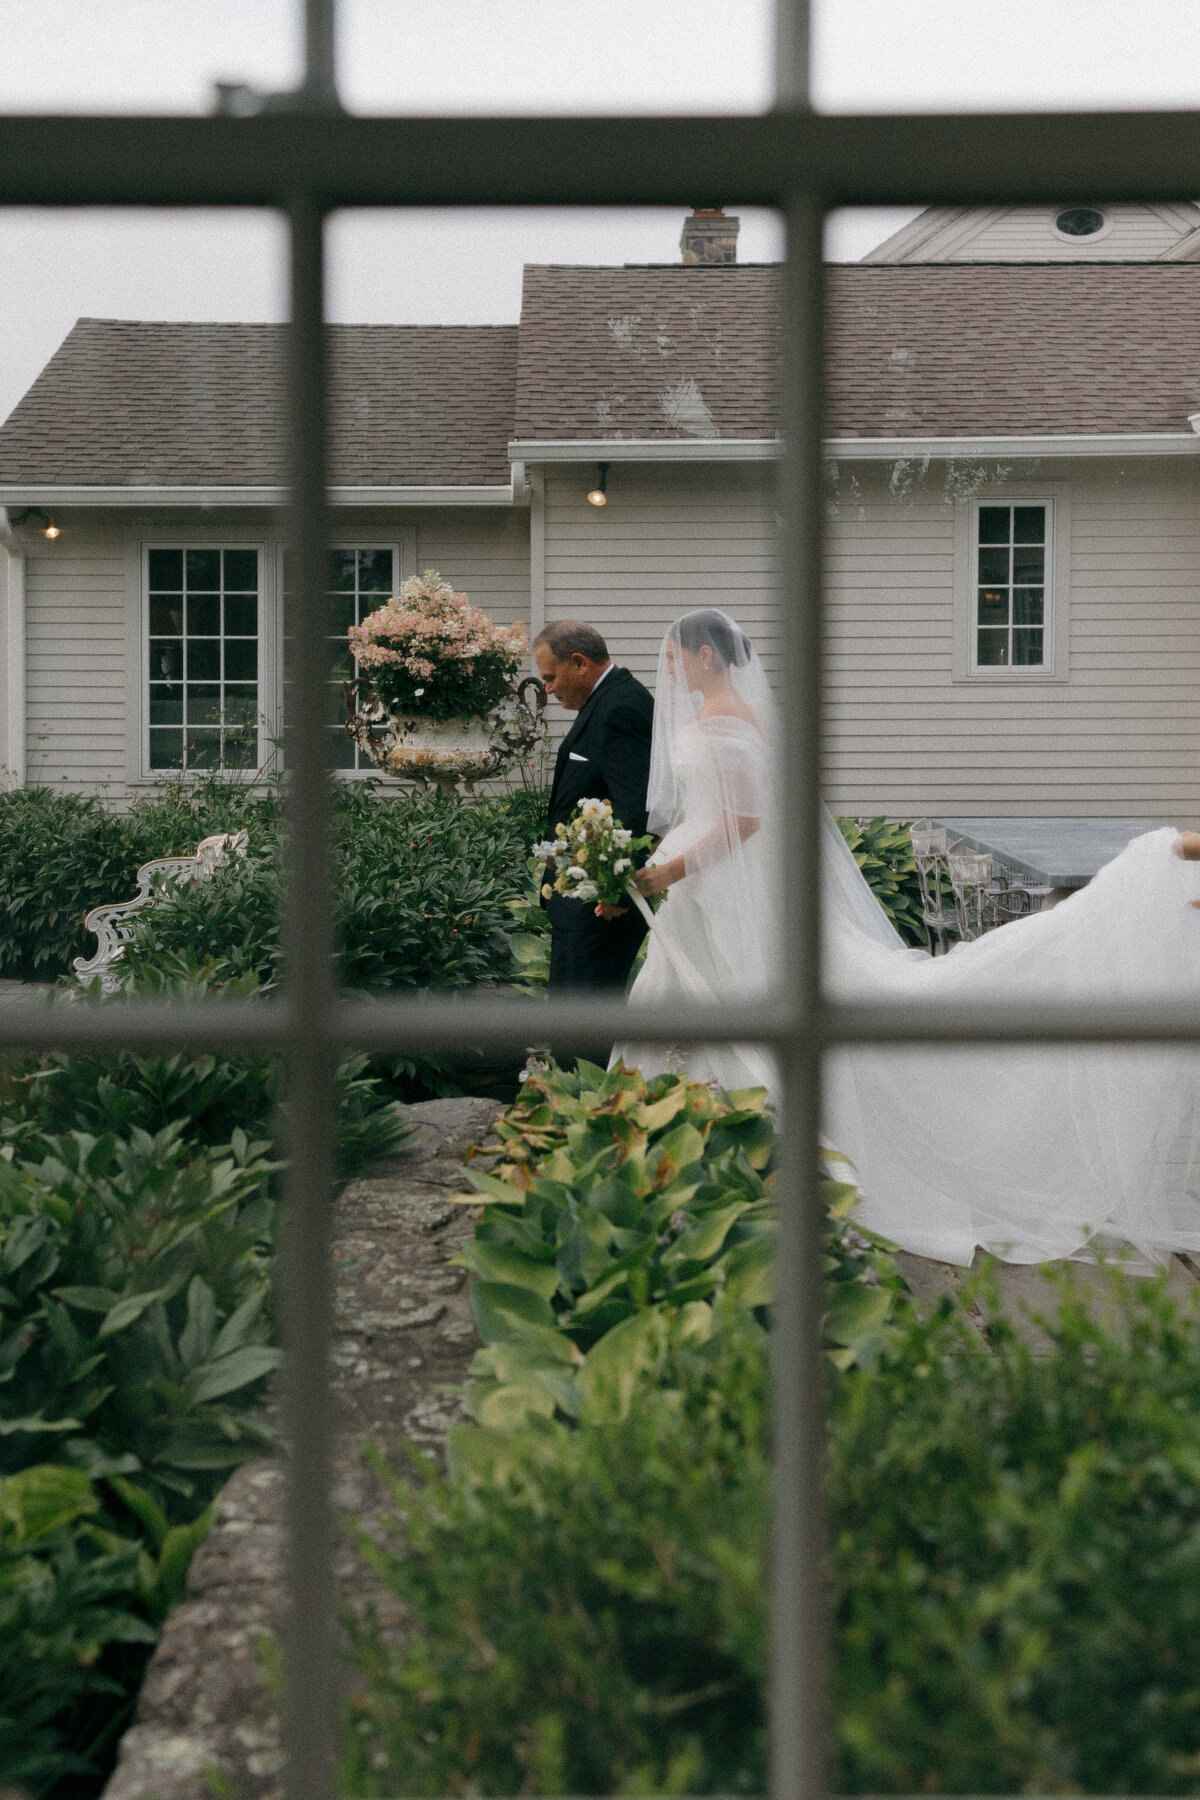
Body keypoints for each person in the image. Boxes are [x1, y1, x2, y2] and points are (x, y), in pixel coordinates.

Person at [613, 606, 1200, 1268]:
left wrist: (665, 870)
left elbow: (742, 821)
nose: (666, 667)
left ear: (707, 658)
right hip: (708, 896)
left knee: (746, 1014)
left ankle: (739, 1163)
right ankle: (691, 1157)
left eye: (673, 655)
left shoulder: (724, 723)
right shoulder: (714, 720)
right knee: (691, 1010)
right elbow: (705, 813)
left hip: (726, 893)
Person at [534, 620, 654, 992]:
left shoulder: (620, 708)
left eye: (551, 677)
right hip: (580, 902)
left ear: (580, 663)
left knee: (584, 1028)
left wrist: (615, 891)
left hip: (600, 908)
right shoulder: (606, 701)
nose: (548, 688)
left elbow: (636, 809)